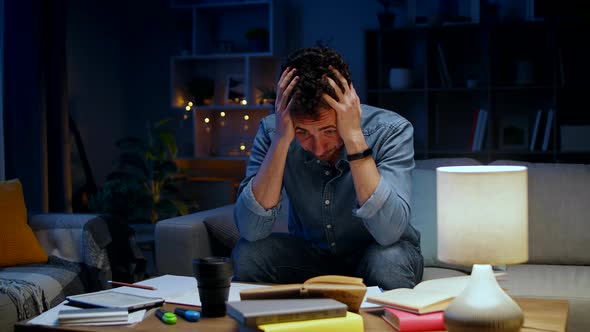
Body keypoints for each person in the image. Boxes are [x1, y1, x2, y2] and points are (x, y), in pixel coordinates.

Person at [231, 47, 423, 290]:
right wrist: (281, 140)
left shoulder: (392, 130)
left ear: (350, 107)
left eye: (329, 130)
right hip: (313, 257)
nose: (319, 148)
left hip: (382, 252)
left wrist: (353, 137)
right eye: (303, 132)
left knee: (388, 261)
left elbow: (388, 233)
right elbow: (251, 230)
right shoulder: (273, 132)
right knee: (249, 253)